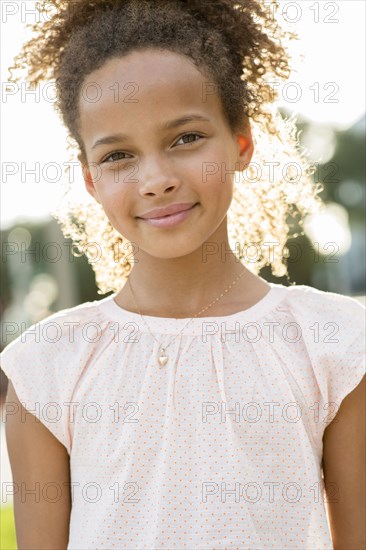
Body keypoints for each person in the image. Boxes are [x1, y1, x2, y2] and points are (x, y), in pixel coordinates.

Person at [1, 0, 365, 548]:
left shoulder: (335, 344)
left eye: (186, 138)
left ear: (241, 142)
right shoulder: (45, 366)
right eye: (119, 155)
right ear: (91, 181)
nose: (156, 179)